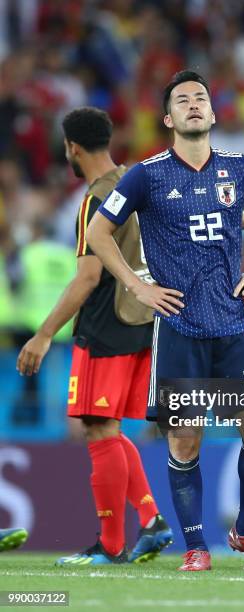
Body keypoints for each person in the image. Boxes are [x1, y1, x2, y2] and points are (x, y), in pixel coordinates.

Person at [85, 70, 244, 571]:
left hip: (234, 325)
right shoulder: (146, 174)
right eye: (182, 100)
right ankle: (197, 548)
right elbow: (98, 232)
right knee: (185, 437)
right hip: (180, 327)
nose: (194, 104)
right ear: (168, 118)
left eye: (201, 97)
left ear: (213, 112)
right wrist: (137, 286)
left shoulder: (239, 167)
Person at [16, 107, 173, 566]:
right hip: (141, 322)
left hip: (105, 324)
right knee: (108, 428)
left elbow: (87, 277)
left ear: (73, 148)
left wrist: (44, 335)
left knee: (97, 429)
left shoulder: (97, 199)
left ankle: (110, 545)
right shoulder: (137, 185)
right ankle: (150, 521)